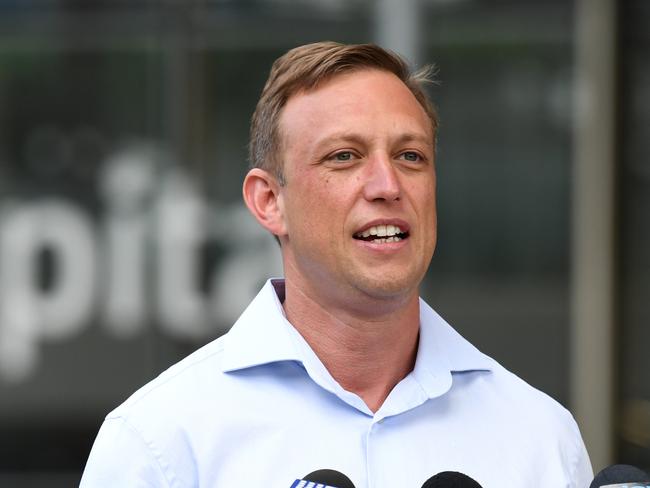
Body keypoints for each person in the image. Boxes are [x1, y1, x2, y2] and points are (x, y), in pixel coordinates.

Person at [80, 42, 593, 487]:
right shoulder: (161, 441)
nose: (387, 185)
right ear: (269, 201)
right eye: (344, 156)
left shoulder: (539, 436)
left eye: (410, 156)